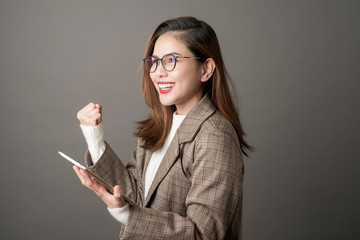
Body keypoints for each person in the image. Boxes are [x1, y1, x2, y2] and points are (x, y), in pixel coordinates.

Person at [73, 16, 252, 240]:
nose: (158, 72)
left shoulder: (214, 136)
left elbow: (204, 234)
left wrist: (127, 215)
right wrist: (94, 137)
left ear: (206, 69)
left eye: (171, 61)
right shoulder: (163, 125)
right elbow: (138, 194)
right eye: (154, 62)